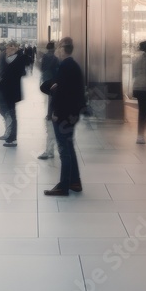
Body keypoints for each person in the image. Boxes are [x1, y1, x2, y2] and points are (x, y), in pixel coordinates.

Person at [44, 37, 86, 196]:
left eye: (58, 48)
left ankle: (63, 185)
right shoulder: (73, 65)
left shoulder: (65, 66)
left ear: (62, 49)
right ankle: (75, 181)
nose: (57, 51)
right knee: (68, 147)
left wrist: (55, 112)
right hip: (71, 114)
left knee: (64, 150)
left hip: (64, 115)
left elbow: (61, 93)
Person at [0, 41, 25, 146]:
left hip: (12, 91)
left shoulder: (20, 59)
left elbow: (19, 74)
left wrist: (4, 78)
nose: (8, 49)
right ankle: (7, 133)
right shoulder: (5, 58)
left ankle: (13, 138)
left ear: (15, 48)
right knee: (5, 112)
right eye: (7, 47)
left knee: (12, 114)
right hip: (3, 90)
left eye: (11, 47)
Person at [37, 41, 61, 159]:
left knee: (51, 113)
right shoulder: (58, 58)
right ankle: (52, 149)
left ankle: (50, 150)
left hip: (51, 84)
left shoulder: (47, 57)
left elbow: (42, 69)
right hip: (55, 85)